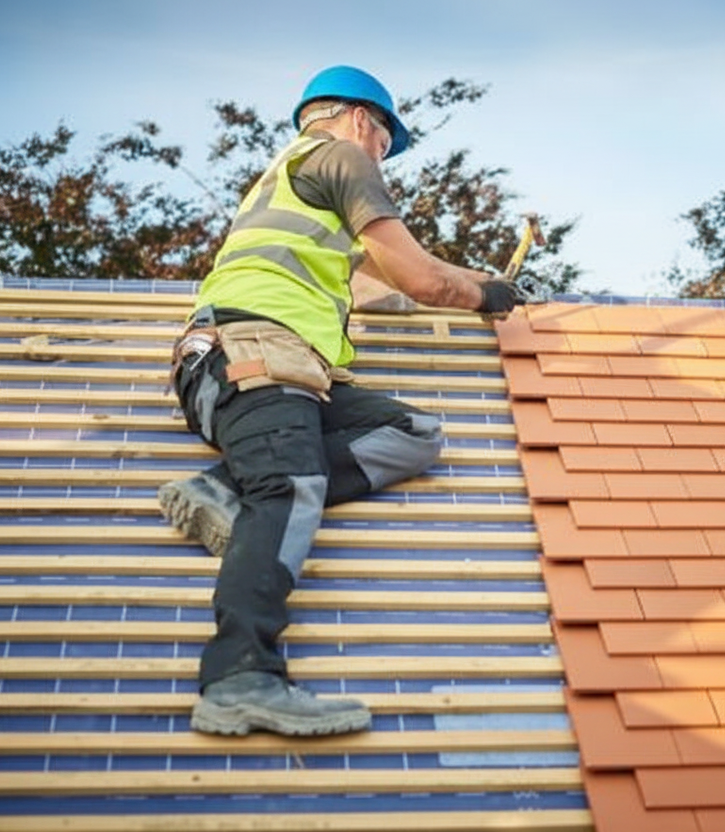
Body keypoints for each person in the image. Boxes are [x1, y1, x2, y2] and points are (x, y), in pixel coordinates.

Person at [157, 65, 520, 737]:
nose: (383, 155)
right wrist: (479, 297)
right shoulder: (343, 156)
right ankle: (240, 676)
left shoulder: (298, 180)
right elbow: (421, 279)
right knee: (292, 488)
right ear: (360, 120)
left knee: (412, 433)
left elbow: (393, 273)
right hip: (254, 356)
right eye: (386, 139)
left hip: (270, 369)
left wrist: (481, 279)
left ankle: (226, 487)